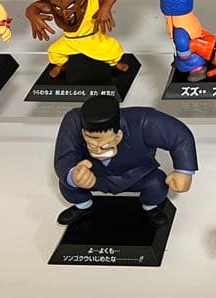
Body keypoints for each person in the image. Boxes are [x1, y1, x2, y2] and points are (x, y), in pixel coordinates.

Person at [53, 96, 197, 226]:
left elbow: (179, 136)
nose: (98, 151)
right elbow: (64, 156)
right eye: (91, 144)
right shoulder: (73, 121)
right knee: (66, 182)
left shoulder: (143, 122)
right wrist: (74, 176)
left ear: (118, 136)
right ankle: (83, 205)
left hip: (135, 174)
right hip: (94, 176)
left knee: (157, 183)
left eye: (104, 145)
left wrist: (184, 171)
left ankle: (150, 207)